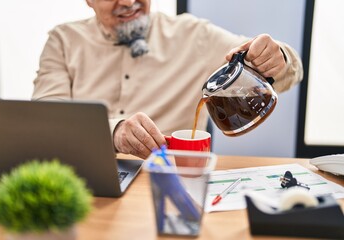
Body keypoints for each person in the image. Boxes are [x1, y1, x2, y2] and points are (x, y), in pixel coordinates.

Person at [32, 0, 303, 159]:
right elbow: (46, 120)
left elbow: (290, 73)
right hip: (85, 185)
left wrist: (277, 56)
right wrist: (113, 132)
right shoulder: (63, 40)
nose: (127, 2)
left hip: (170, 183)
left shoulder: (194, 35)